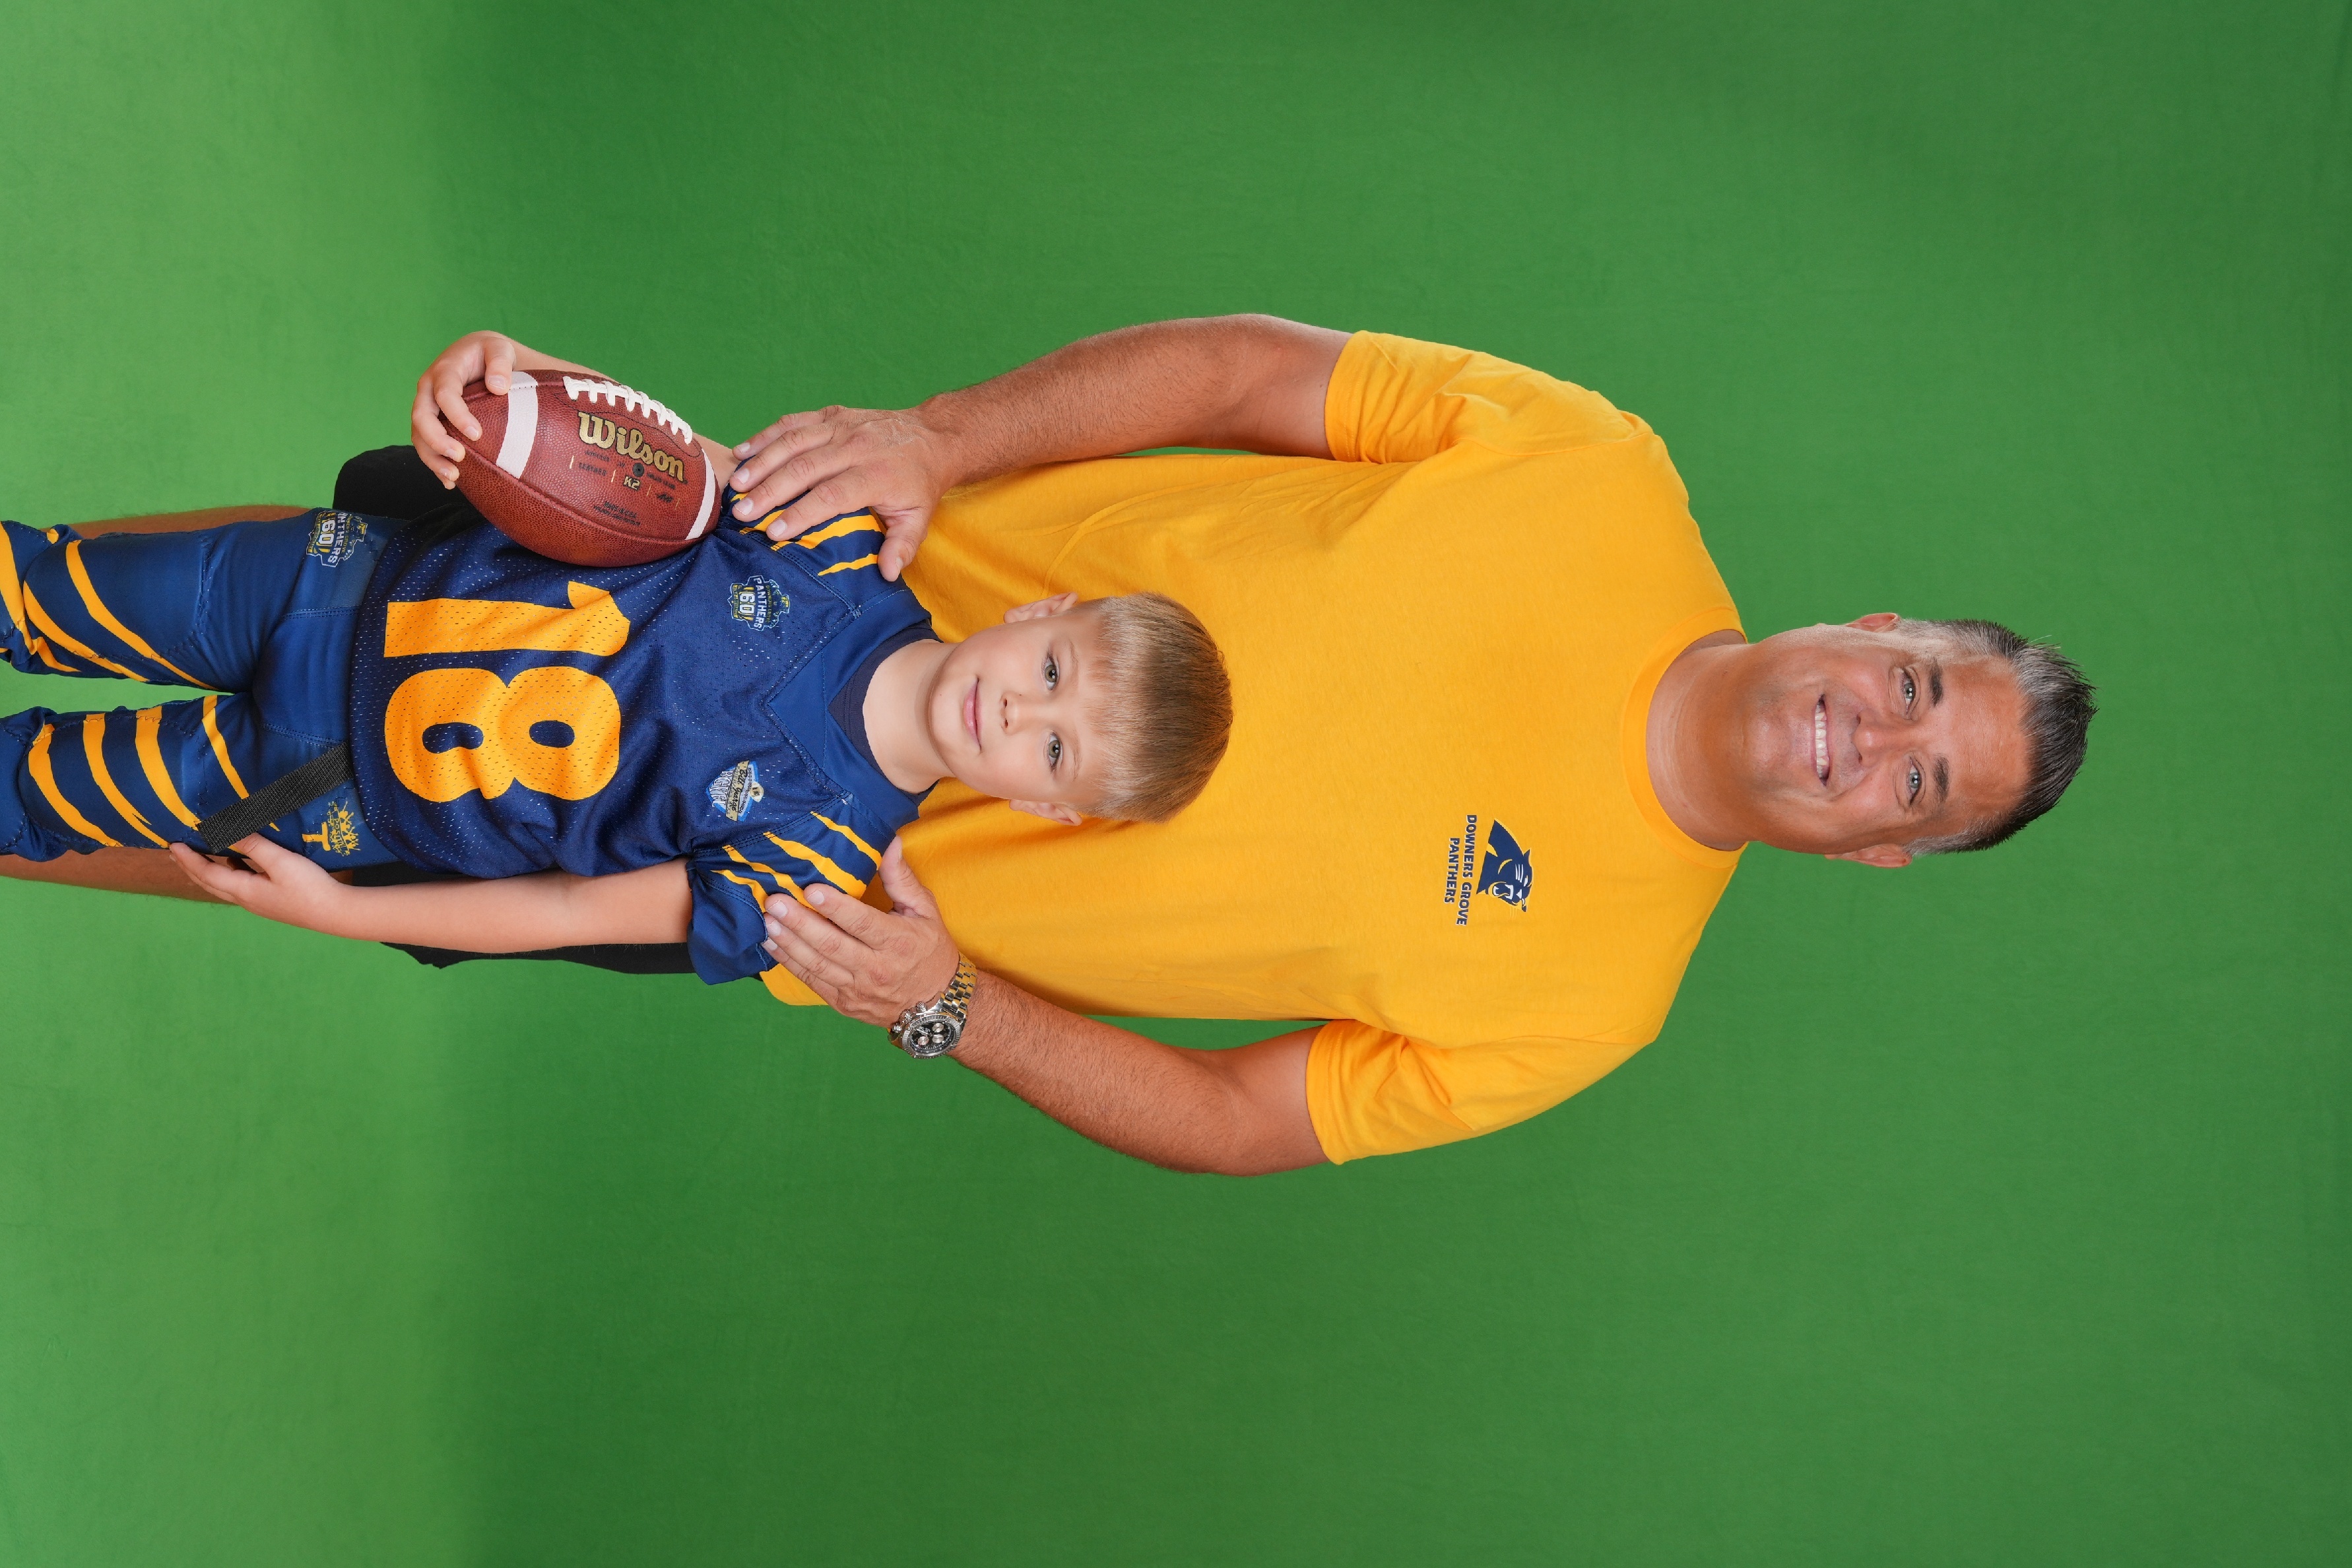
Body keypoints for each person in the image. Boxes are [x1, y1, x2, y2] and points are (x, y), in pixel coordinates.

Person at [7, 316, 2095, 1176]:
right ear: (1879, 626)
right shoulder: (1594, 474)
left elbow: (1240, 1119)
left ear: (1877, 852)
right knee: (343, 585)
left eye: (1919, 781)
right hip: (787, 578)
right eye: (1915, 684)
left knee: (292, 822)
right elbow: (1247, 371)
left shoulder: (1589, 1004)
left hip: (760, 852)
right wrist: (936, 441)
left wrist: (948, 1007)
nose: (1871, 735)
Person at [0, 432, 1233, 983]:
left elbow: (567, 910)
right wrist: (510, 383)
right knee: (36, 584)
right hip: (341, 578)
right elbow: (627, 461)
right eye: (1054, 674)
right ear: (1041, 611)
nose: (1017, 715)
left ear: (1047, 812)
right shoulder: (838, 536)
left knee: (34, 799)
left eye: (1056, 752)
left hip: (331, 787)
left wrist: (342, 913)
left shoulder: (813, 870)